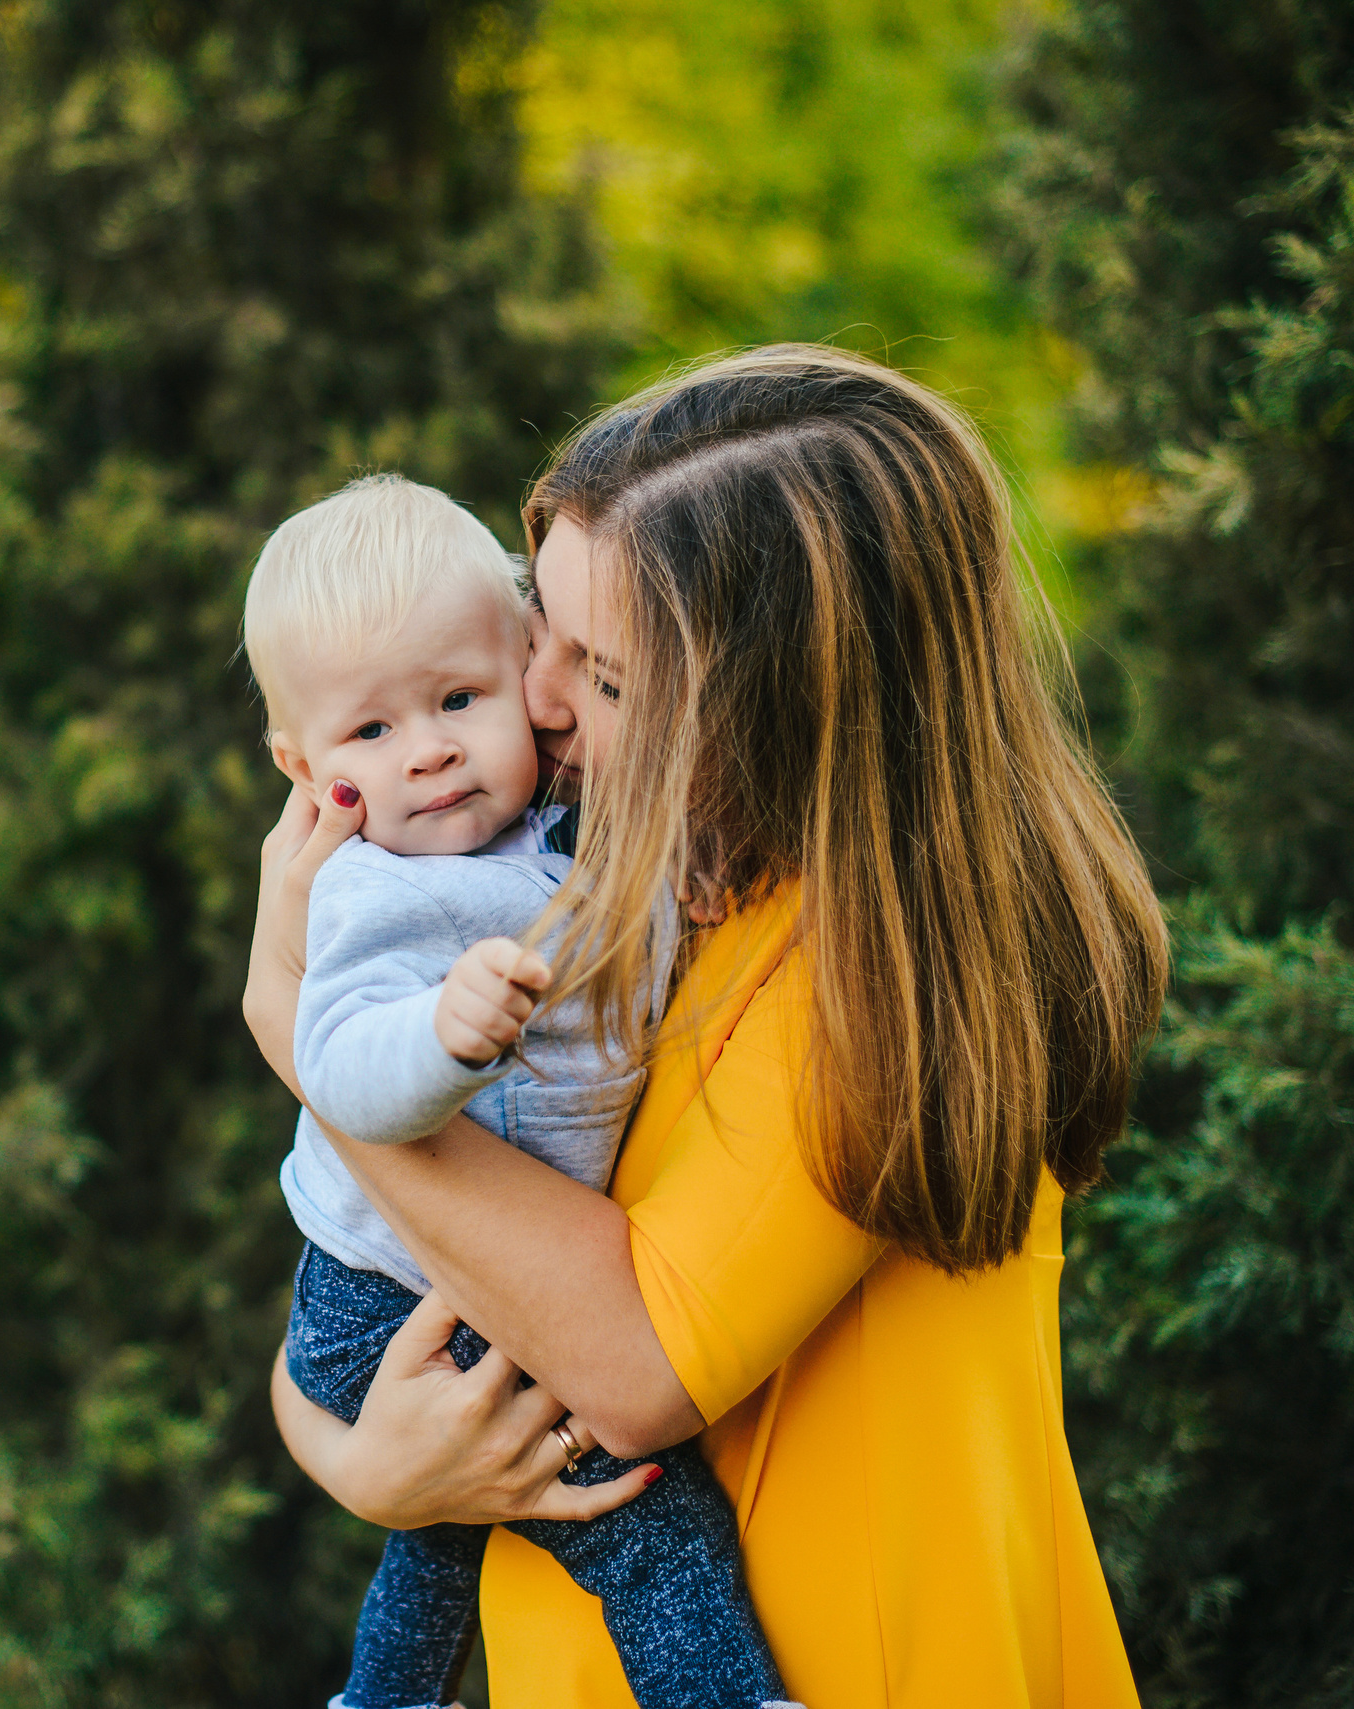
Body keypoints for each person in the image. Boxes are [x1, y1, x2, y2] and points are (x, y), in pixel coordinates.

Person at [244, 346, 1167, 1708]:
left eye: (603, 675)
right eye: (534, 625)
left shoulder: (877, 977)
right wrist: (363, 1463)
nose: (540, 696)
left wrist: (296, 1037)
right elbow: (396, 1278)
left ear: (780, 701)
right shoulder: (631, 880)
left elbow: (625, 1362)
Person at [244, 475, 791, 1709]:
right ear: (302, 766)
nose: (428, 748)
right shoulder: (379, 891)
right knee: (642, 1516)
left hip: (434, 1279)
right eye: (370, 734)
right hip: (386, 1292)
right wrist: (438, 1035)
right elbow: (333, 1064)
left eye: (457, 698)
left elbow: (612, 897)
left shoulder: (542, 832)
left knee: (438, 1543)